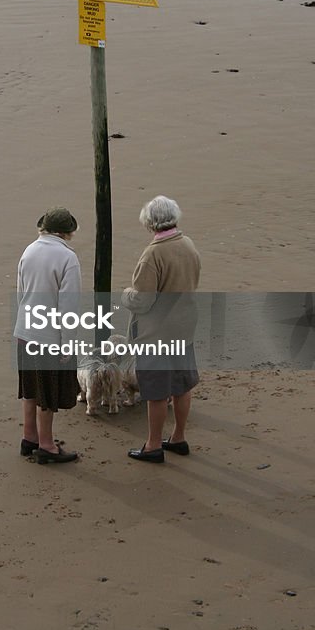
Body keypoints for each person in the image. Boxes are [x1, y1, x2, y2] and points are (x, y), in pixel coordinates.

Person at [121, 196, 201, 464]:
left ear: (150, 223)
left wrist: (126, 296)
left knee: (155, 391)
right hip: (185, 325)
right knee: (181, 384)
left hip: (157, 333)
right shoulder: (188, 244)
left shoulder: (152, 254)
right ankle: (178, 436)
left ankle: (153, 445)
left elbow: (143, 299)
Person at [14, 208, 81, 464]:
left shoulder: (29, 250)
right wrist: (68, 343)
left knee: (29, 388)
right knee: (48, 392)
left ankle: (28, 437)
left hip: (24, 330)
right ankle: (47, 444)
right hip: (48, 335)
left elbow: (20, 293)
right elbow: (69, 306)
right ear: (68, 231)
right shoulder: (67, 258)